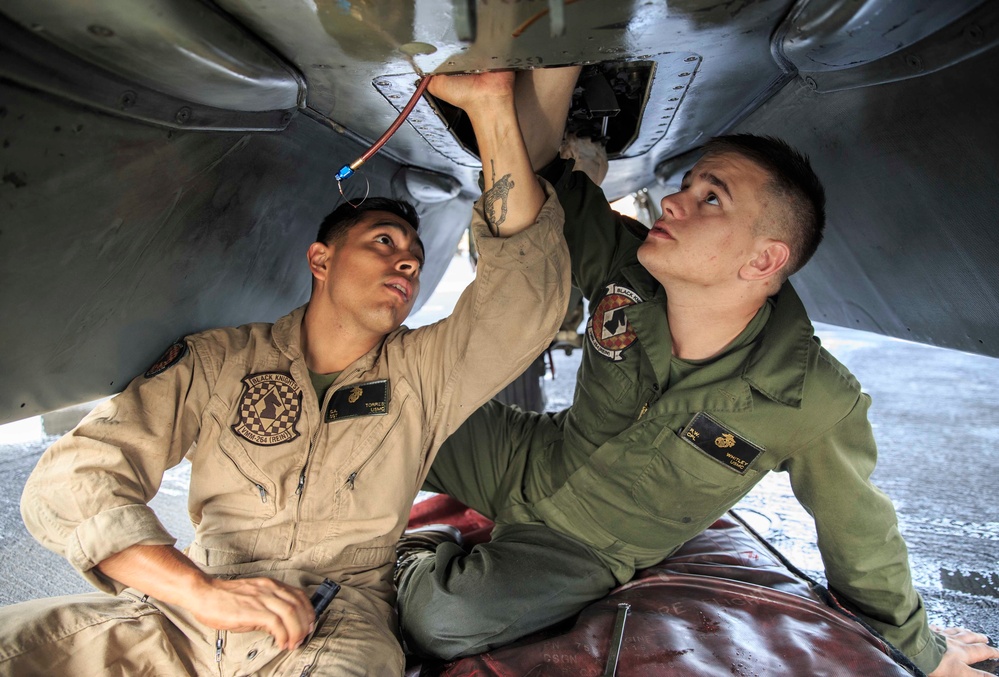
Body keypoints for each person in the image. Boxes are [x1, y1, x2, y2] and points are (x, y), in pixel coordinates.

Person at [394, 67, 999, 677]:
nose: (675, 201)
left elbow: (860, 534)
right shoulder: (628, 270)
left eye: (712, 198)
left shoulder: (811, 397)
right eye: (686, 185)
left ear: (764, 259)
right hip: (526, 455)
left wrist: (917, 648)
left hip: (581, 545)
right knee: (378, 399)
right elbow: (540, 179)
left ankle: (422, 547)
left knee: (441, 622)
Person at [0, 71, 570, 676]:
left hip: (333, 621)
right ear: (321, 259)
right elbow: (77, 476)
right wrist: (196, 590)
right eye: (382, 240)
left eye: (415, 256)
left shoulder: (422, 372)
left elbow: (522, 295)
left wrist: (492, 109)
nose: (405, 259)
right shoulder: (220, 361)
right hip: (186, 613)